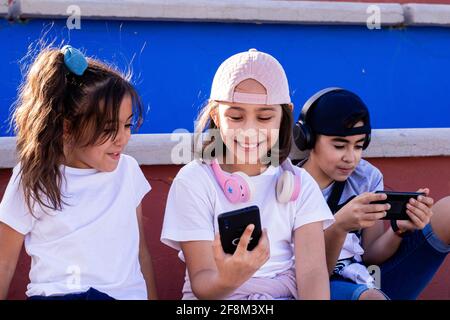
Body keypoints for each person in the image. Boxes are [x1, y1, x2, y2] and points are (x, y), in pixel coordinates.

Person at [161, 49, 334, 300]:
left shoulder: (301, 184)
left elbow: (313, 275)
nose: (250, 130)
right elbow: (202, 284)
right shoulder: (193, 181)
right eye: (236, 116)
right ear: (216, 117)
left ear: (284, 116)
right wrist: (229, 279)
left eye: (264, 117)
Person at [0, 45, 157, 300]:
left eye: (127, 125)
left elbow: (140, 251)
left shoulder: (128, 172)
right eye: (108, 128)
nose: (122, 138)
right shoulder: (33, 177)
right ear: (67, 128)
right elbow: (4, 263)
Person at [294, 87, 450, 300]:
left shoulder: (365, 177)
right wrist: (339, 225)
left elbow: (371, 255)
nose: (351, 158)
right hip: (311, 286)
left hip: (365, 278)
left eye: (358, 146)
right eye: (339, 146)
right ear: (308, 139)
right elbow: (303, 270)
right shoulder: (288, 185)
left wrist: (397, 230)